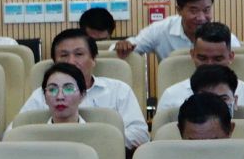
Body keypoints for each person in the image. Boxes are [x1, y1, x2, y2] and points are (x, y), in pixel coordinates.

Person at [17, 28, 147, 145]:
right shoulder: (42, 95)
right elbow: (13, 134)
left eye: (78, 54)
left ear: (93, 59)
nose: (71, 61)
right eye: (64, 55)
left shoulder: (118, 90)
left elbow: (140, 135)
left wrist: (97, 142)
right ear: (55, 62)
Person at [154, 22, 244, 117]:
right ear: (192, 55)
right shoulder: (171, 96)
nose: (209, 65)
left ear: (230, 57)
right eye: (202, 58)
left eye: (218, 59)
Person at [114, 0, 241, 59]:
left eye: (206, 10)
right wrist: (123, 45)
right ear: (179, 10)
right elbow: (131, 46)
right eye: (193, 11)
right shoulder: (161, 30)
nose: (201, 18)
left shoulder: (224, 36)